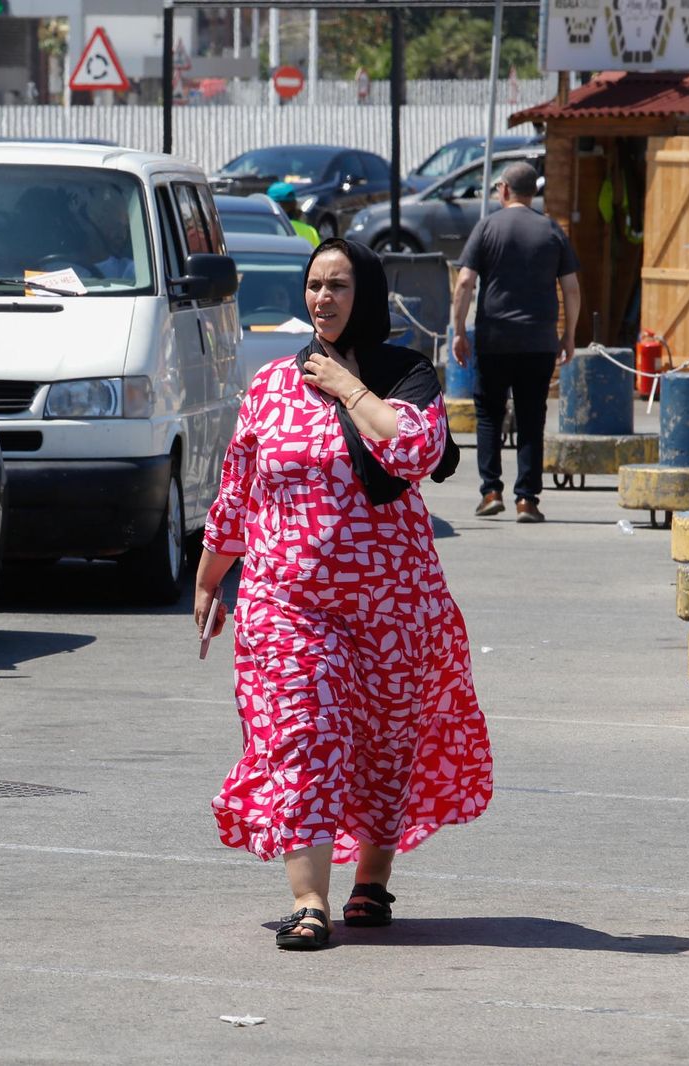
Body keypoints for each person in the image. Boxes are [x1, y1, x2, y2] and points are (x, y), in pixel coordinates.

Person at [194, 237, 492, 951]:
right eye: (315, 285)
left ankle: (371, 882)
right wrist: (209, 577)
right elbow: (238, 489)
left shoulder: (404, 373)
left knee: (386, 746)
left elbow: (415, 450)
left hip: (393, 608)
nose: (323, 298)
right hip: (287, 603)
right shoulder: (271, 386)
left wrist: (349, 388)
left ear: (368, 295)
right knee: (305, 732)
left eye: (339, 285)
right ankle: (309, 902)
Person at [451, 161, 581, 524]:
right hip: (539, 341)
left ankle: (491, 491)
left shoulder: (487, 227)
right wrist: (569, 334)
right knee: (531, 417)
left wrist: (458, 330)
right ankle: (527, 499)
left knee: (489, 415)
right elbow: (571, 288)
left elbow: (464, 283)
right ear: (533, 192)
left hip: (494, 339)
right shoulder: (552, 229)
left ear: (505, 190)